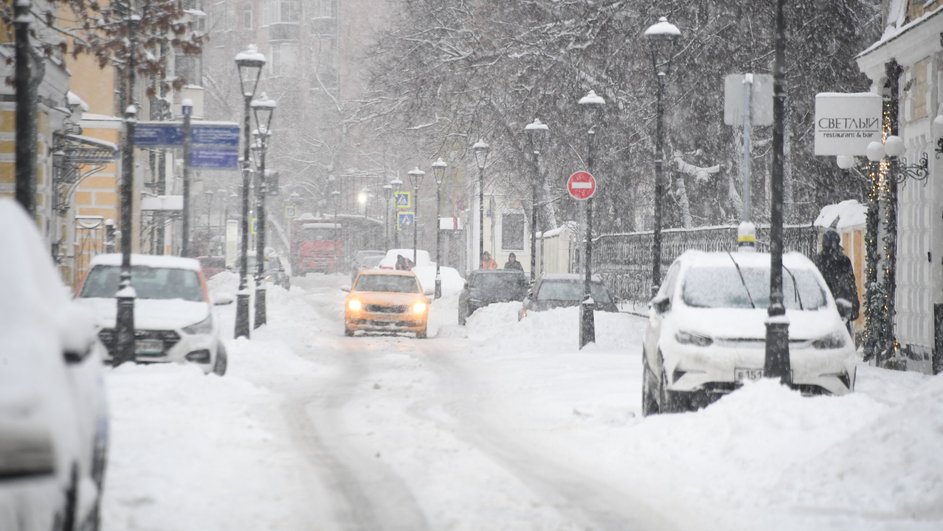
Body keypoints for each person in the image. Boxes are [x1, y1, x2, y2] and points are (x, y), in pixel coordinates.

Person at [814, 229, 859, 323]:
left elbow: (850, 284)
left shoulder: (819, 261)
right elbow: (851, 284)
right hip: (838, 308)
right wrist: (854, 305)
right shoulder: (843, 261)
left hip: (829, 308)